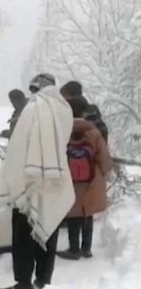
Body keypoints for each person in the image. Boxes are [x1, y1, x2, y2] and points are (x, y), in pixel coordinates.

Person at [0, 73, 75, 289]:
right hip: (56, 177)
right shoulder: (65, 109)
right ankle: (44, 280)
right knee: (49, 226)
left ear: (37, 88)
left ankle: (24, 282)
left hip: (30, 179)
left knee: (24, 232)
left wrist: (14, 173)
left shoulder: (35, 108)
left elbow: (20, 145)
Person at [58, 96, 113, 260]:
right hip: (91, 179)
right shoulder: (93, 132)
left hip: (70, 179)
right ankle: (86, 248)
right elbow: (104, 158)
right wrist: (102, 173)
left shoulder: (63, 130)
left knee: (73, 214)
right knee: (87, 214)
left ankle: (73, 249)